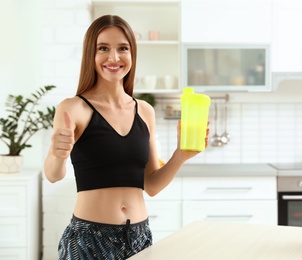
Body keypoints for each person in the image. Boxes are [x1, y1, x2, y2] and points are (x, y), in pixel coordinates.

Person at [44, 14, 208, 259]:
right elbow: (53, 175)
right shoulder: (73, 108)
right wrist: (58, 154)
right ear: (91, 53)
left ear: (132, 54)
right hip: (89, 240)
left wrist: (180, 156)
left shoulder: (144, 110)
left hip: (140, 238)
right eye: (103, 48)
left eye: (123, 48)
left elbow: (151, 185)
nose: (114, 57)